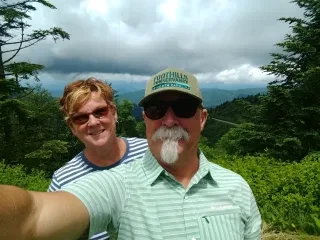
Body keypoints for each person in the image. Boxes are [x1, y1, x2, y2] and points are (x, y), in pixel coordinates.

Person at [0, 68, 262, 240]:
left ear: (203, 118)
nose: (169, 120)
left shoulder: (237, 187)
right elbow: (33, 216)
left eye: (184, 107)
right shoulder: (116, 183)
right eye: (157, 109)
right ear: (145, 118)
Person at [47, 77, 148, 239]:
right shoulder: (63, 181)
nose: (93, 122)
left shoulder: (149, 152)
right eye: (81, 118)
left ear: (114, 113)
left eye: (100, 112)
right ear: (72, 127)